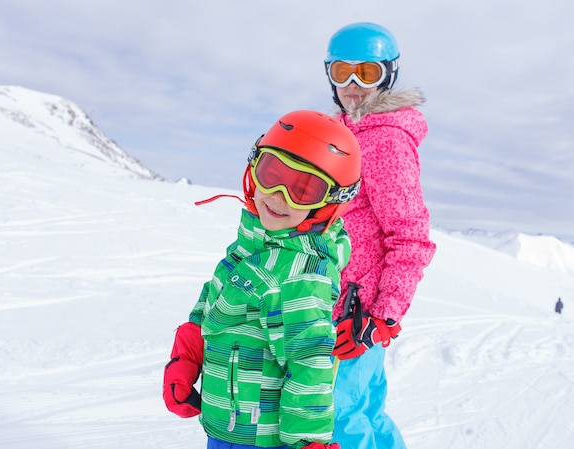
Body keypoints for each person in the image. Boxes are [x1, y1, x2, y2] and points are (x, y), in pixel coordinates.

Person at [163, 110, 363, 449]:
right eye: (273, 173)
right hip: (225, 426)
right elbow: (211, 302)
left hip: (262, 440)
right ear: (254, 169)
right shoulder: (251, 244)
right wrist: (188, 354)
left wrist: (307, 441)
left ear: (328, 204)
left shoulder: (302, 276)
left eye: (304, 189)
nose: (278, 195)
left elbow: (309, 364)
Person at [323, 22, 437, 449]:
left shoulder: (385, 140)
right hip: (336, 302)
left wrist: (383, 316)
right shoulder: (341, 134)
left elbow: (410, 237)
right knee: (365, 408)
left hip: (354, 316)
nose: (353, 85)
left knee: (338, 419)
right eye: (342, 72)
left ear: (388, 74)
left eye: (366, 73)